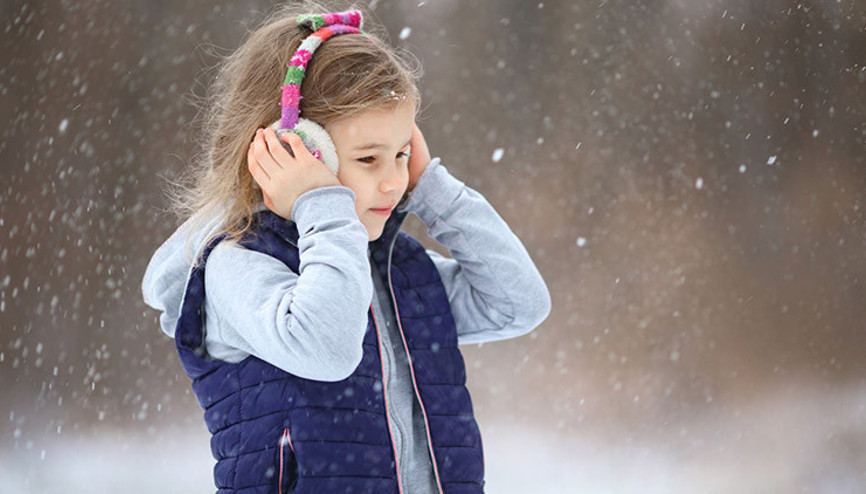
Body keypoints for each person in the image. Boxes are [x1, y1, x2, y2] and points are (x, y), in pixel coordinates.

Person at [141, 2, 551, 493]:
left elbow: (518, 303)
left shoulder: (397, 271)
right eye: (368, 158)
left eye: (402, 154)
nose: (393, 182)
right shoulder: (236, 267)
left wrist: (434, 188)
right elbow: (329, 349)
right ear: (298, 149)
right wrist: (322, 204)